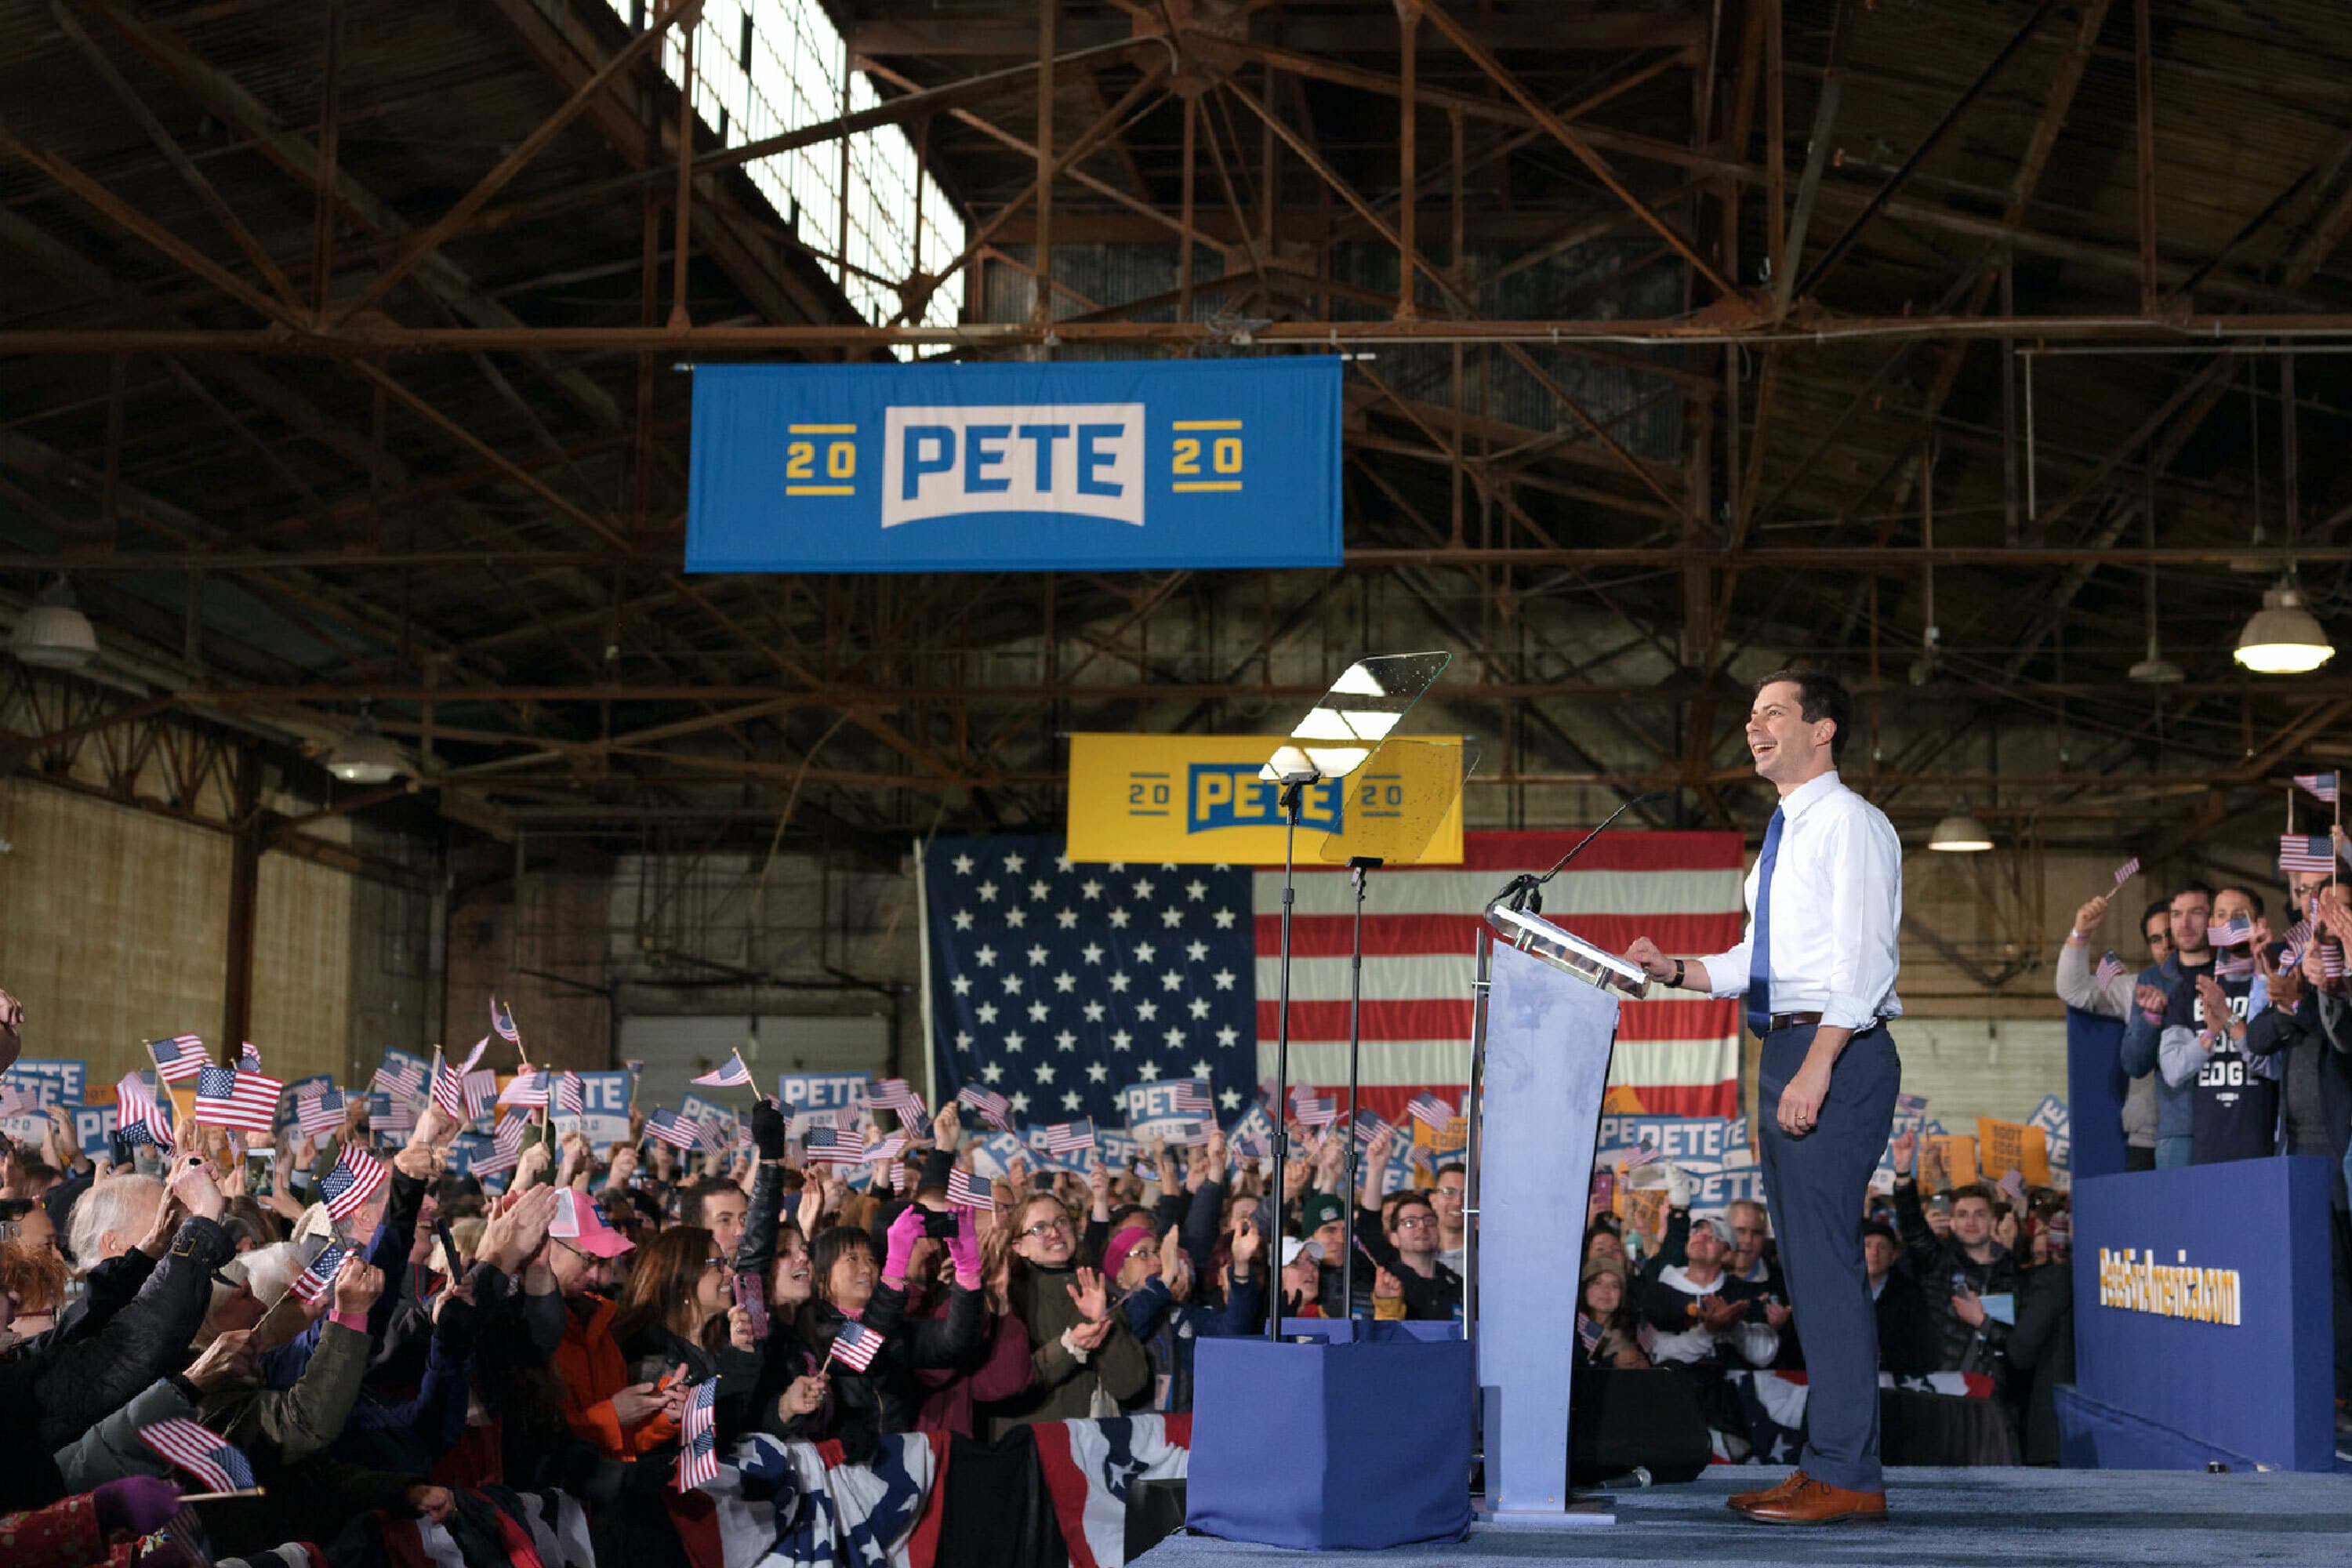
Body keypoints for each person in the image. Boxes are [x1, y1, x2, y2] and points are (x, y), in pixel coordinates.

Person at [1625, 669, 1901, 1525]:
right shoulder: (1784, 833)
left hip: (1834, 1047)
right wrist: (1675, 969)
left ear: (1822, 730)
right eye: (1749, 715)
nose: (1753, 726)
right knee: (1809, 1273)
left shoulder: (1849, 824)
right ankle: (1825, 1462)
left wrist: (1819, 1063)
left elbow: (1862, 961)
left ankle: (1849, 1472)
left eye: (1772, 712)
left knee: (1826, 1269)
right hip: (1787, 1043)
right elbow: (1761, 958)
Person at [2245, 912, 2352, 1433]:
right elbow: (2259, 1037)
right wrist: (2285, 1003)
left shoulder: (2339, 974)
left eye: (2331, 899)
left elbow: (2339, 1031)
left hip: (2342, 1144)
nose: (2319, 907)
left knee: (2344, 1274)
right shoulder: (2293, 954)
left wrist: (2303, 997)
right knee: (2318, 1278)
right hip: (2297, 1148)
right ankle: (2332, 1395)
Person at [2159, 885, 2278, 1165]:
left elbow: (2273, 1065)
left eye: (2239, 915)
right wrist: (2210, 1034)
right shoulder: (2192, 989)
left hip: (2263, 1145)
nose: (2229, 922)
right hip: (2207, 1147)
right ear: (2212, 924)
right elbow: (2173, 1070)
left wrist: (2227, 1017)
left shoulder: (2274, 984)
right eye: (2221, 915)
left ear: (2258, 923)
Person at [2057, 892, 2169, 1170]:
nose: (2168, 945)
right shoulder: (2138, 988)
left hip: (2206, 1136)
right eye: (2156, 940)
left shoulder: (2218, 984)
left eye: (2172, 933)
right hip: (2148, 1139)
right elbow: (2073, 989)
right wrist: (2080, 933)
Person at [2122, 882, 2217, 1168]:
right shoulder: (2153, 979)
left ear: (2212, 919)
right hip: (2179, 1128)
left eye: (2196, 913)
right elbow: (2135, 1063)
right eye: (2177, 914)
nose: (2185, 923)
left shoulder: (2233, 970)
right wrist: (2152, 1019)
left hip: (2234, 1122)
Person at [1860, 1218, 1936, 1377]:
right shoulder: (1837, 1294)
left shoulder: (1910, 1295)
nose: (1874, 1253)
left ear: (1894, 1255)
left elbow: (1921, 1350)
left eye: (1882, 1247)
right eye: (1867, 1246)